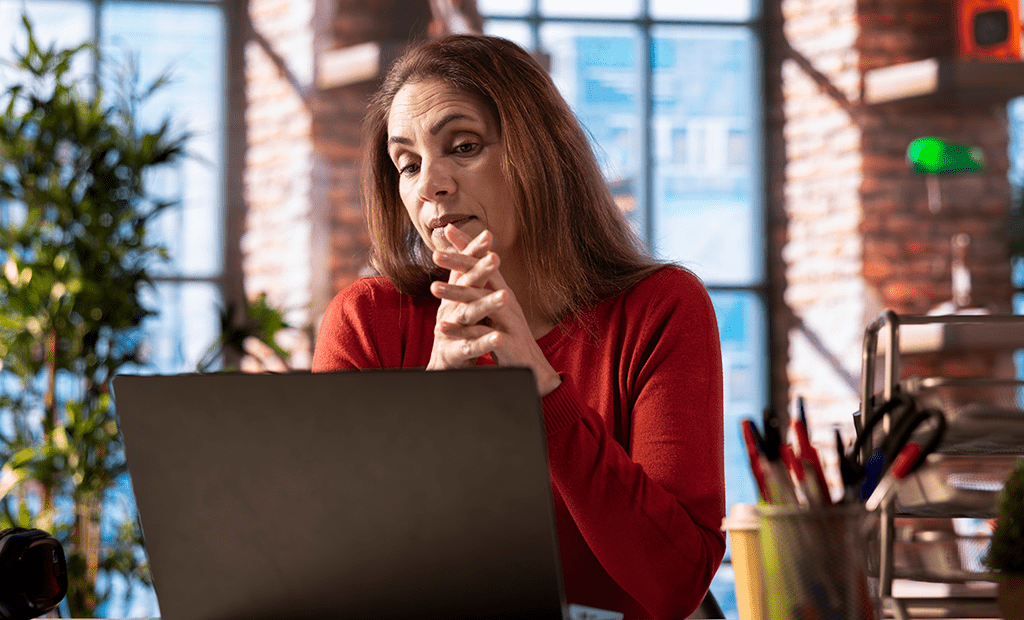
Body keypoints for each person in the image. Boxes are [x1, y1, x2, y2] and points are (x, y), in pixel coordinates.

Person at [312, 34, 725, 620]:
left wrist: (543, 390)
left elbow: (676, 585)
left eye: (463, 146)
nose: (429, 185)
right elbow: (334, 573)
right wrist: (428, 405)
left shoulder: (662, 308)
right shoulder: (366, 322)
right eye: (407, 164)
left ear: (540, 153)